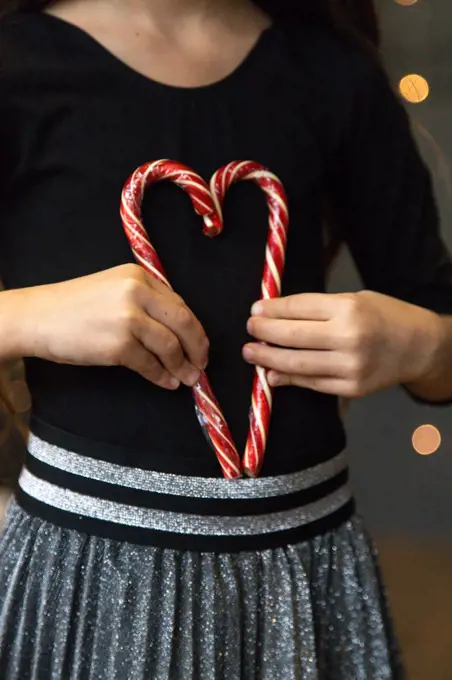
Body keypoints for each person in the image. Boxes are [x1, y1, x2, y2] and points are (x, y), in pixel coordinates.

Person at [0, 0, 451, 678]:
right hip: (87, 577)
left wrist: (426, 346)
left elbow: (437, 340)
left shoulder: (331, 68)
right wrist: (30, 317)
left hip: (308, 579)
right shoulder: (17, 65)